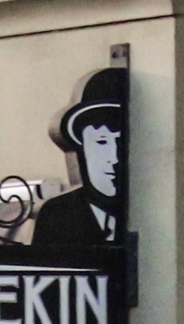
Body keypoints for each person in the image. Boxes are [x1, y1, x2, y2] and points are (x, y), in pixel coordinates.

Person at [33, 67, 126, 252]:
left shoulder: (153, 207)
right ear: (81, 148)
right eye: (102, 142)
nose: (114, 158)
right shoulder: (58, 215)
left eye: (121, 142)